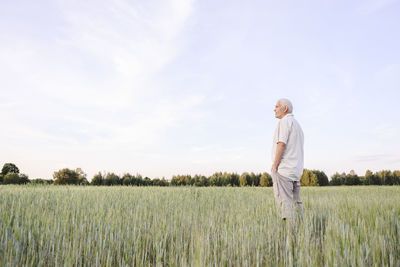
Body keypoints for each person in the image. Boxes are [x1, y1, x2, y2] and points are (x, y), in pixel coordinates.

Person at [271, 98, 304, 220]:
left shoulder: (284, 122)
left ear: (285, 109)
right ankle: (302, 232)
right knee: (296, 204)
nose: (274, 109)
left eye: (277, 106)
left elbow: (282, 144)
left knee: (285, 205)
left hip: (284, 170)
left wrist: (275, 166)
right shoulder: (298, 125)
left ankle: (290, 236)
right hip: (296, 171)